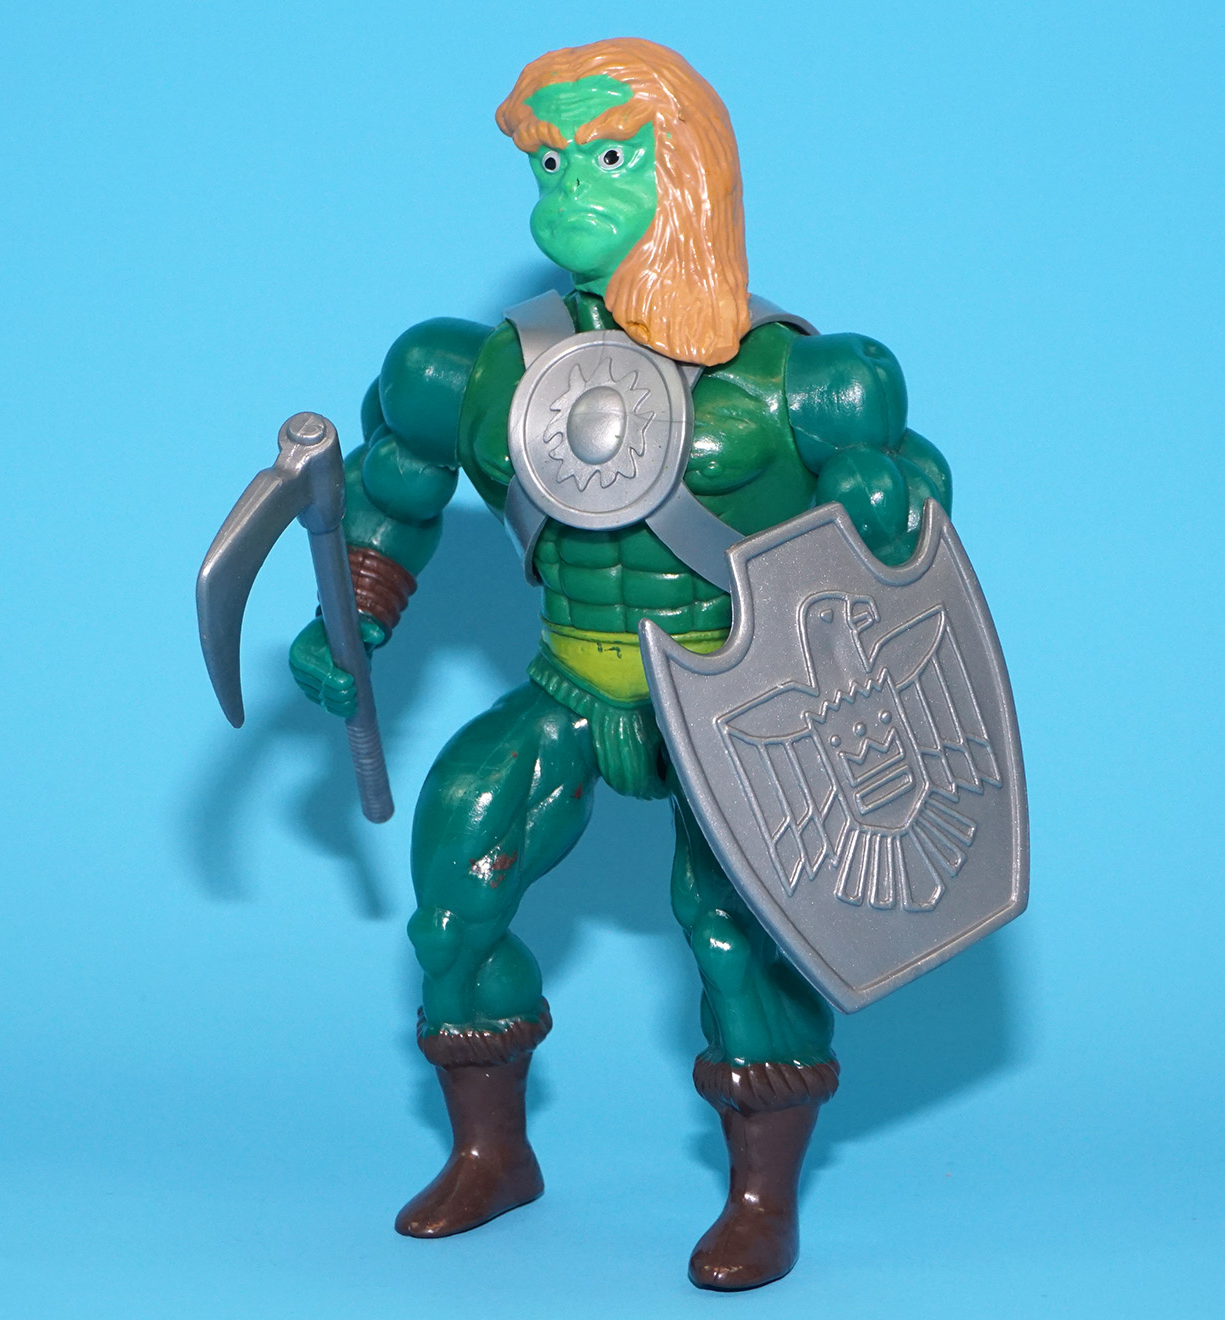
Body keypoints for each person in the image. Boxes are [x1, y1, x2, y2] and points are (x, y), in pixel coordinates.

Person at [289, 37, 951, 1291]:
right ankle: (491, 1155)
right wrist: (354, 612)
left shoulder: (808, 380)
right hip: (572, 683)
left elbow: (914, 521)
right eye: (551, 163)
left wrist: (886, 510)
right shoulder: (480, 367)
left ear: (683, 166)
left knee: (737, 932)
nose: (568, 191)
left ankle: (760, 1197)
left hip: (743, 698)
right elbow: (397, 482)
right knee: (454, 888)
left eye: (605, 157)